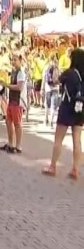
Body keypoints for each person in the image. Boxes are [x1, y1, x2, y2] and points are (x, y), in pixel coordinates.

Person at [42, 48, 84, 180]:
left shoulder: (69, 73)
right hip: (79, 109)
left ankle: (53, 166)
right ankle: (75, 169)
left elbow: (54, 81)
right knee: (77, 141)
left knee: (58, 139)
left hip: (66, 108)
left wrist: (55, 71)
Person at [0, 54, 27, 154]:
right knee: (8, 121)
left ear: (20, 60)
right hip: (11, 100)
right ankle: (10, 144)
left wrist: (6, 85)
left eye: (15, 60)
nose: (13, 62)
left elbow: (19, 87)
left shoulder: (21, 72)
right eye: (12, 60)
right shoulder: (14, 71)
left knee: (17, 123)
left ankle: (18, 145)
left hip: (18, 101)